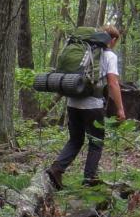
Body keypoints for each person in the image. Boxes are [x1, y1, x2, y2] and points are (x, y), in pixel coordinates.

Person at [47, 25, 127, 190]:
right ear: (112, 40)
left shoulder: (83, 50)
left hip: (72, 102)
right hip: (92, 104)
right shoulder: (109, 56)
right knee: (96, 142)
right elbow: (113, 83)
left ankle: (57, 169)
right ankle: (89, 180)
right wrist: (120, 108)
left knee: (76, 139)